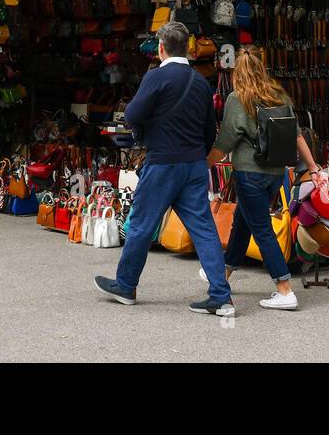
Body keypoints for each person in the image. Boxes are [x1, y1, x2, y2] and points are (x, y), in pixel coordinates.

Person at [94, 22, 233, 316]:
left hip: (163, 163)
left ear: (160, 48)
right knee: (204, 229)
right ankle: (221, 296)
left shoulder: (156, 77)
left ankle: (126, 285)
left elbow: (132, 114)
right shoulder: (200, 83)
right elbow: (210, 130)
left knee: (142, 223)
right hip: (194, 164)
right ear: (188, 48)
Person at [207, 47, 319, 311]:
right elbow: (297, 135)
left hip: (249, 173)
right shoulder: (279, 96)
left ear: (238, 74)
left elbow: (225, 142)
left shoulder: (238, 99)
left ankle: (284, 289)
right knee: (244, 221)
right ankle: (222, 276)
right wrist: (312, 166)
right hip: (275, 173)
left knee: (262, 230)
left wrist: (203, 164)